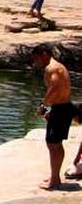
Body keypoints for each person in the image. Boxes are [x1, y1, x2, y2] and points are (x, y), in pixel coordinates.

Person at [31, 44, 73, 191]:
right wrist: (50, 108)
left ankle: (54, 181)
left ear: (44, 54)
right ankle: (55, 177)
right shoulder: (58, 66)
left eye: (36, 58)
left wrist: (43, 105)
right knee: (55, 144)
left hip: (61, 109)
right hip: (62, 107)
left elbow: (54, 87)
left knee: (53, 144)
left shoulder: (52, 68)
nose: (36, 62)